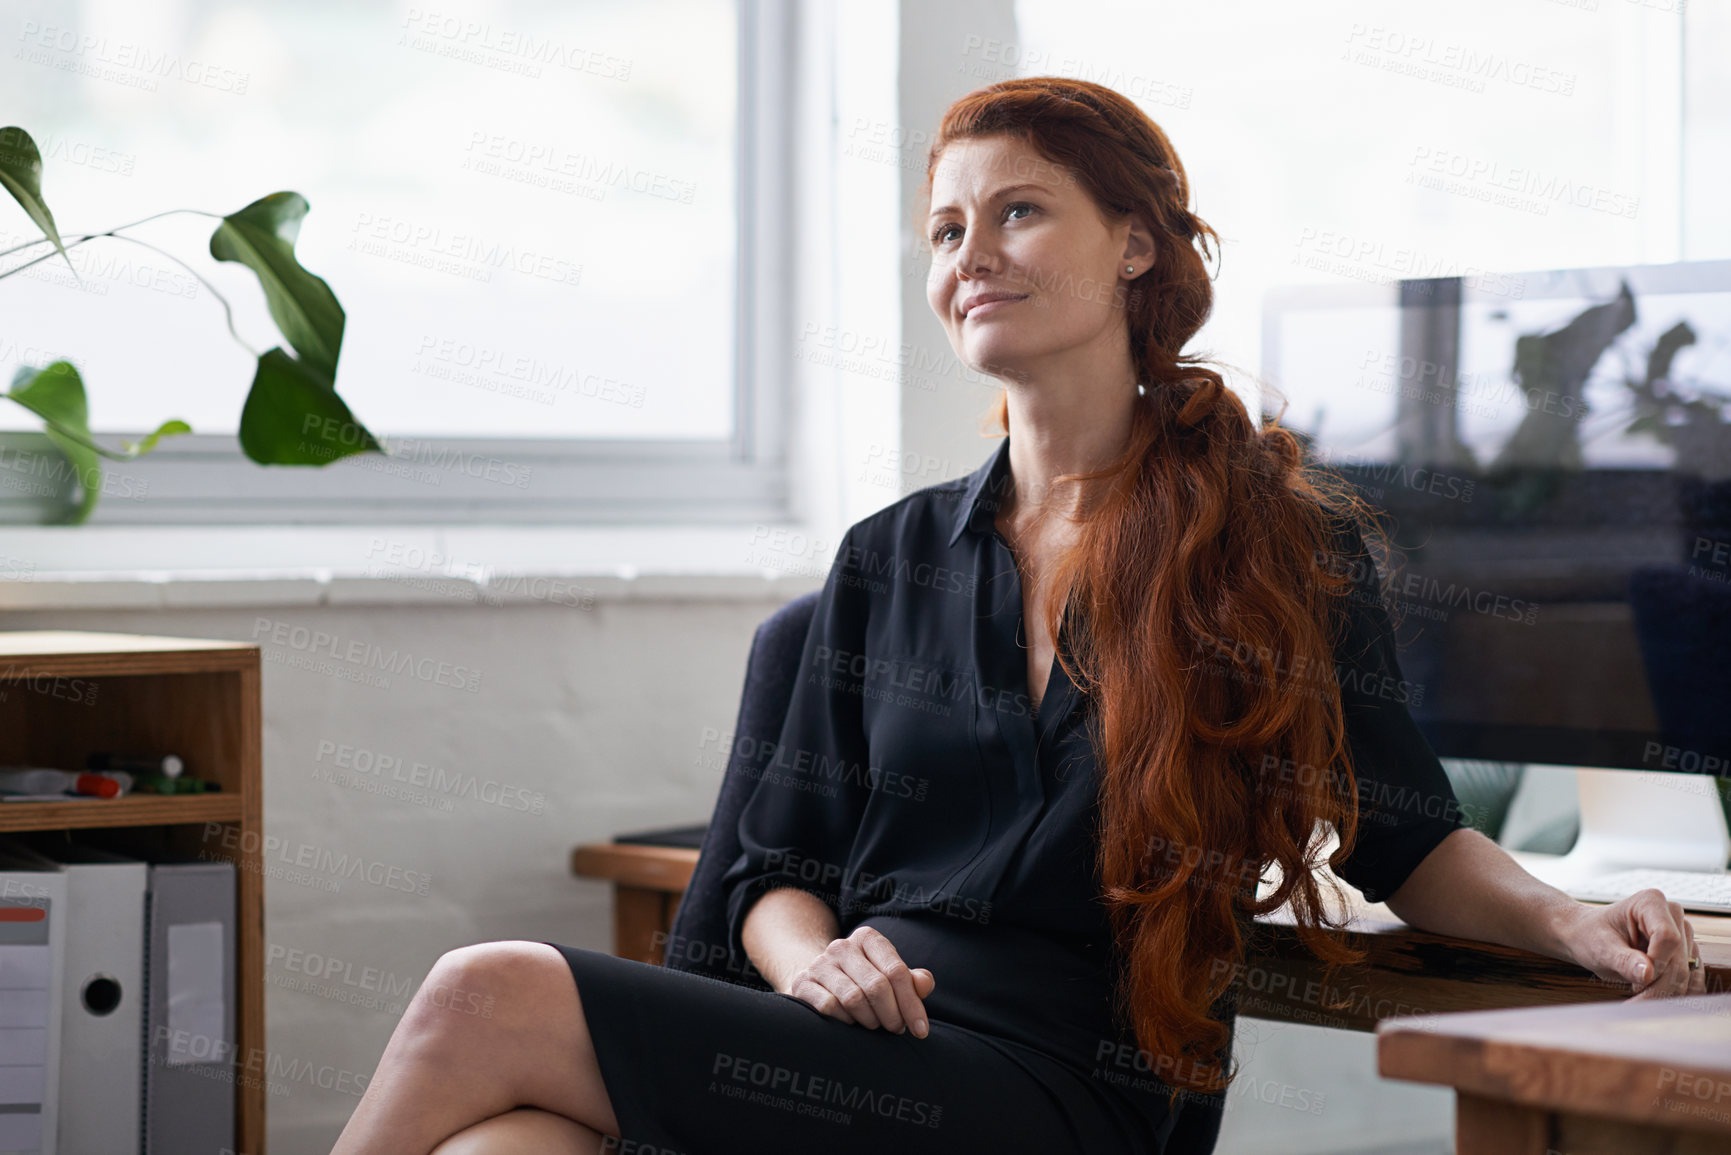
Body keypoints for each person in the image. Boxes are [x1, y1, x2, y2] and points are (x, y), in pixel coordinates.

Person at [330, 77, 1706, 1155]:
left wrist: (1574, 925)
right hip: (850, 1049)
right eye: (945, 229)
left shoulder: (1274, 542)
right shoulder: (887, 560)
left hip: (1066, 1085)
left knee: (483, 994)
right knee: (503, 1145)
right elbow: (765, 876)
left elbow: (1409, 836)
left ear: (1137, 246)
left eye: (1018, 212)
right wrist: (819, 966)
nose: (971, 253)